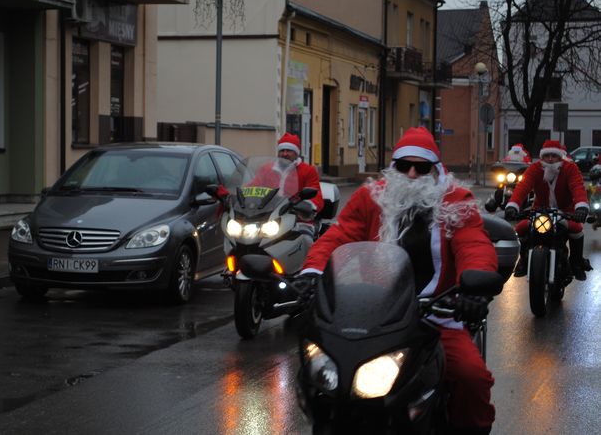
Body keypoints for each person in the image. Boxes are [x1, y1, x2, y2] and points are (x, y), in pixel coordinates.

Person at [297, 126, 498, 435]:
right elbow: (339, 236)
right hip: (373, 314)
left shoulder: (456, 200)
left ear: (435, 169)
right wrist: (312, 274)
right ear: (394, 168)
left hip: (434, 315)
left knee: (471, 376)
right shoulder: (372, 197)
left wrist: (475, 288)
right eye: (404, 166)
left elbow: (473, 245)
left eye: (422, 166)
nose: (413, 174)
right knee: (322, 372)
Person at [504, 139, 589, 280]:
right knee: (521, 228)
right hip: (539, 210)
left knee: (576, 229)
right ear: (542, 157)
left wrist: (581, 207)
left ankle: (576, 263)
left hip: (565, 212)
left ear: (560, 156)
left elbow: (578, 187)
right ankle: (524, 259)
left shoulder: (570, 168)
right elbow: (523, 187)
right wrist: (513, 205)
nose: (550, 159)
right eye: (546, 155)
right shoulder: (535, 168)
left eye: (554, 155)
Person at [250, 132, 324, 235]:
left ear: (296, 153)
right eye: (282, 151)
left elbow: (316, 195)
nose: (284, 154)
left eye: (289, 151)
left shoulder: (308, 170)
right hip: (269, 217)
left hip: (298, 218)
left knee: (305, 238)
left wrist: (307, 206)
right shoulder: (267, 169)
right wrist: (239, 197)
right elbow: (253, 186)